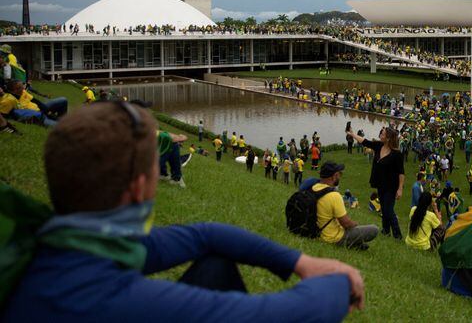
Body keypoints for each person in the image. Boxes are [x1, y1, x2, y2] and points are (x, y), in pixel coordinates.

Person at [2, 101, 365, 321]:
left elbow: (205, 235)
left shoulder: (63, 245)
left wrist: (300, 262)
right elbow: (284, 315)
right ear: (138, 187)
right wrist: (338, 281)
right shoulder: (111, 301)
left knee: (215, 263)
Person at [348, 127, 405, 239]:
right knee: (384, 208)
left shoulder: (397, 154)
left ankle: (397, 236)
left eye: (382, 134)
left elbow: (401, 173)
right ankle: (385, 230)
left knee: (389, 210)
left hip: (391, 186)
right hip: (380, 184)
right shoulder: (378, 146)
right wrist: (353, 134)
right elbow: (365, 141)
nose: (380, 135)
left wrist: (400, 188)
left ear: (388, 138)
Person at [313, 161, 379, 250]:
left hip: (318, 233)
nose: (340, 176)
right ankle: (353, 243)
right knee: (374, 229)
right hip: (333, 238)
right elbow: (346, 224)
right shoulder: (334, 195)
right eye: (339, 174)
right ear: (334, 176)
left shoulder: (313, 188)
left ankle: (357, 245)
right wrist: (355, 224)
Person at [0, 80, 68, 127]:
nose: (23, 88)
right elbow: (3, 115)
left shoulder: (23, 92)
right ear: (14, 90)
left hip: (41, 110)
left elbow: (37, 101)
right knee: (63, 127)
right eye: (21, 87)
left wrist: (49, 113)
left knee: (63, 100)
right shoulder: (9, 100)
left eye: (22, 86)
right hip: (37, 117)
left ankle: (61, 119)